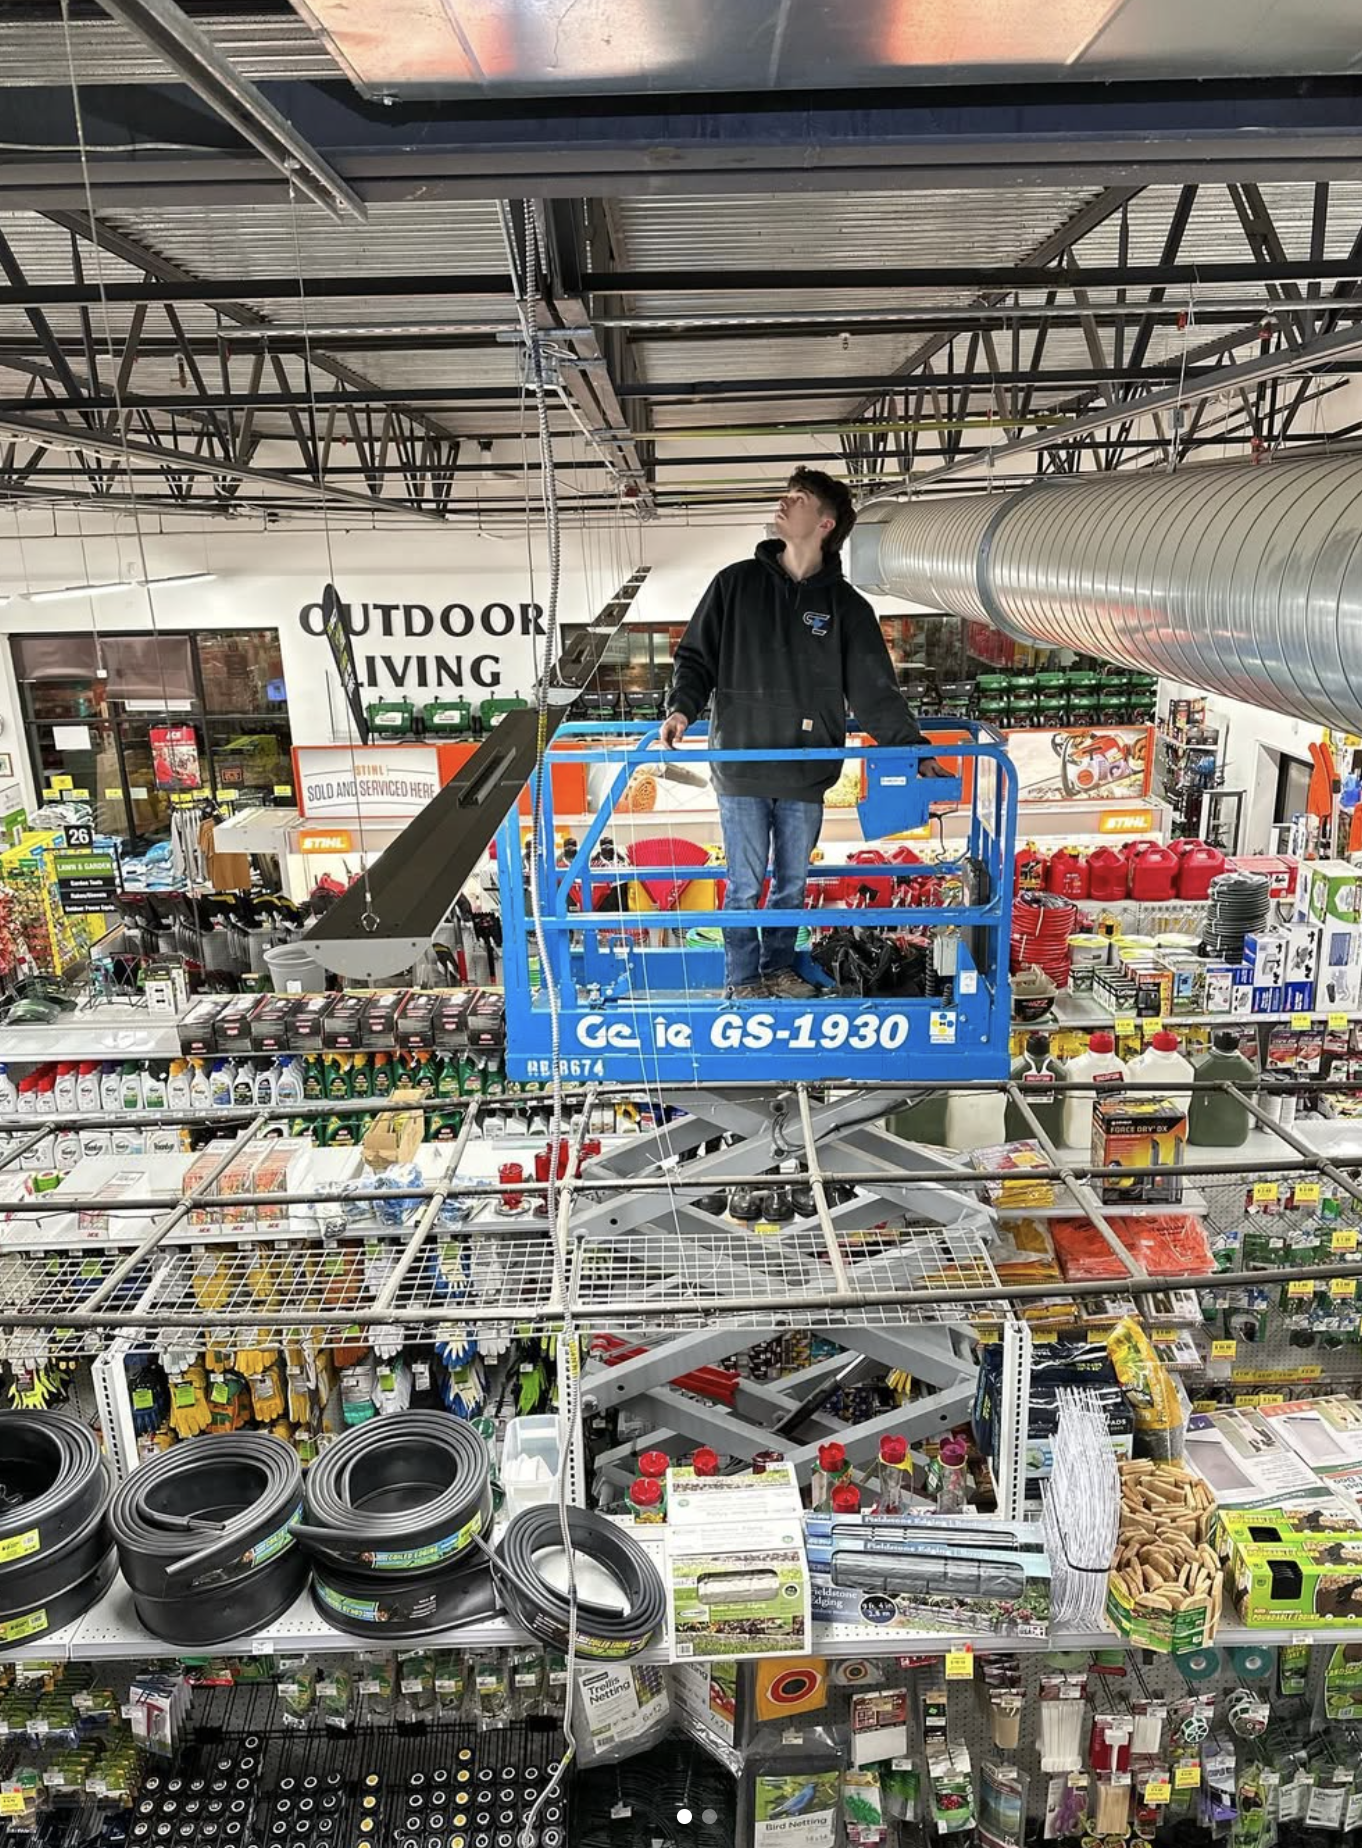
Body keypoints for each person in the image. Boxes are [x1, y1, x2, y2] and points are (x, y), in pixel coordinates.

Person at [661, 467, 941, 999]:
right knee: (744, 886)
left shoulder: (847, 609)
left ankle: (778, 968)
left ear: (826, 523)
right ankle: (743, 979)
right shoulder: (735, 584)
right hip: (741, 762)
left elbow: (875, 691)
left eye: (799, 499)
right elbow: (695, 657)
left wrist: (914, 750)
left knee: (791, 884)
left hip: (807, 769)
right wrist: (682, 710)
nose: (784, 504)